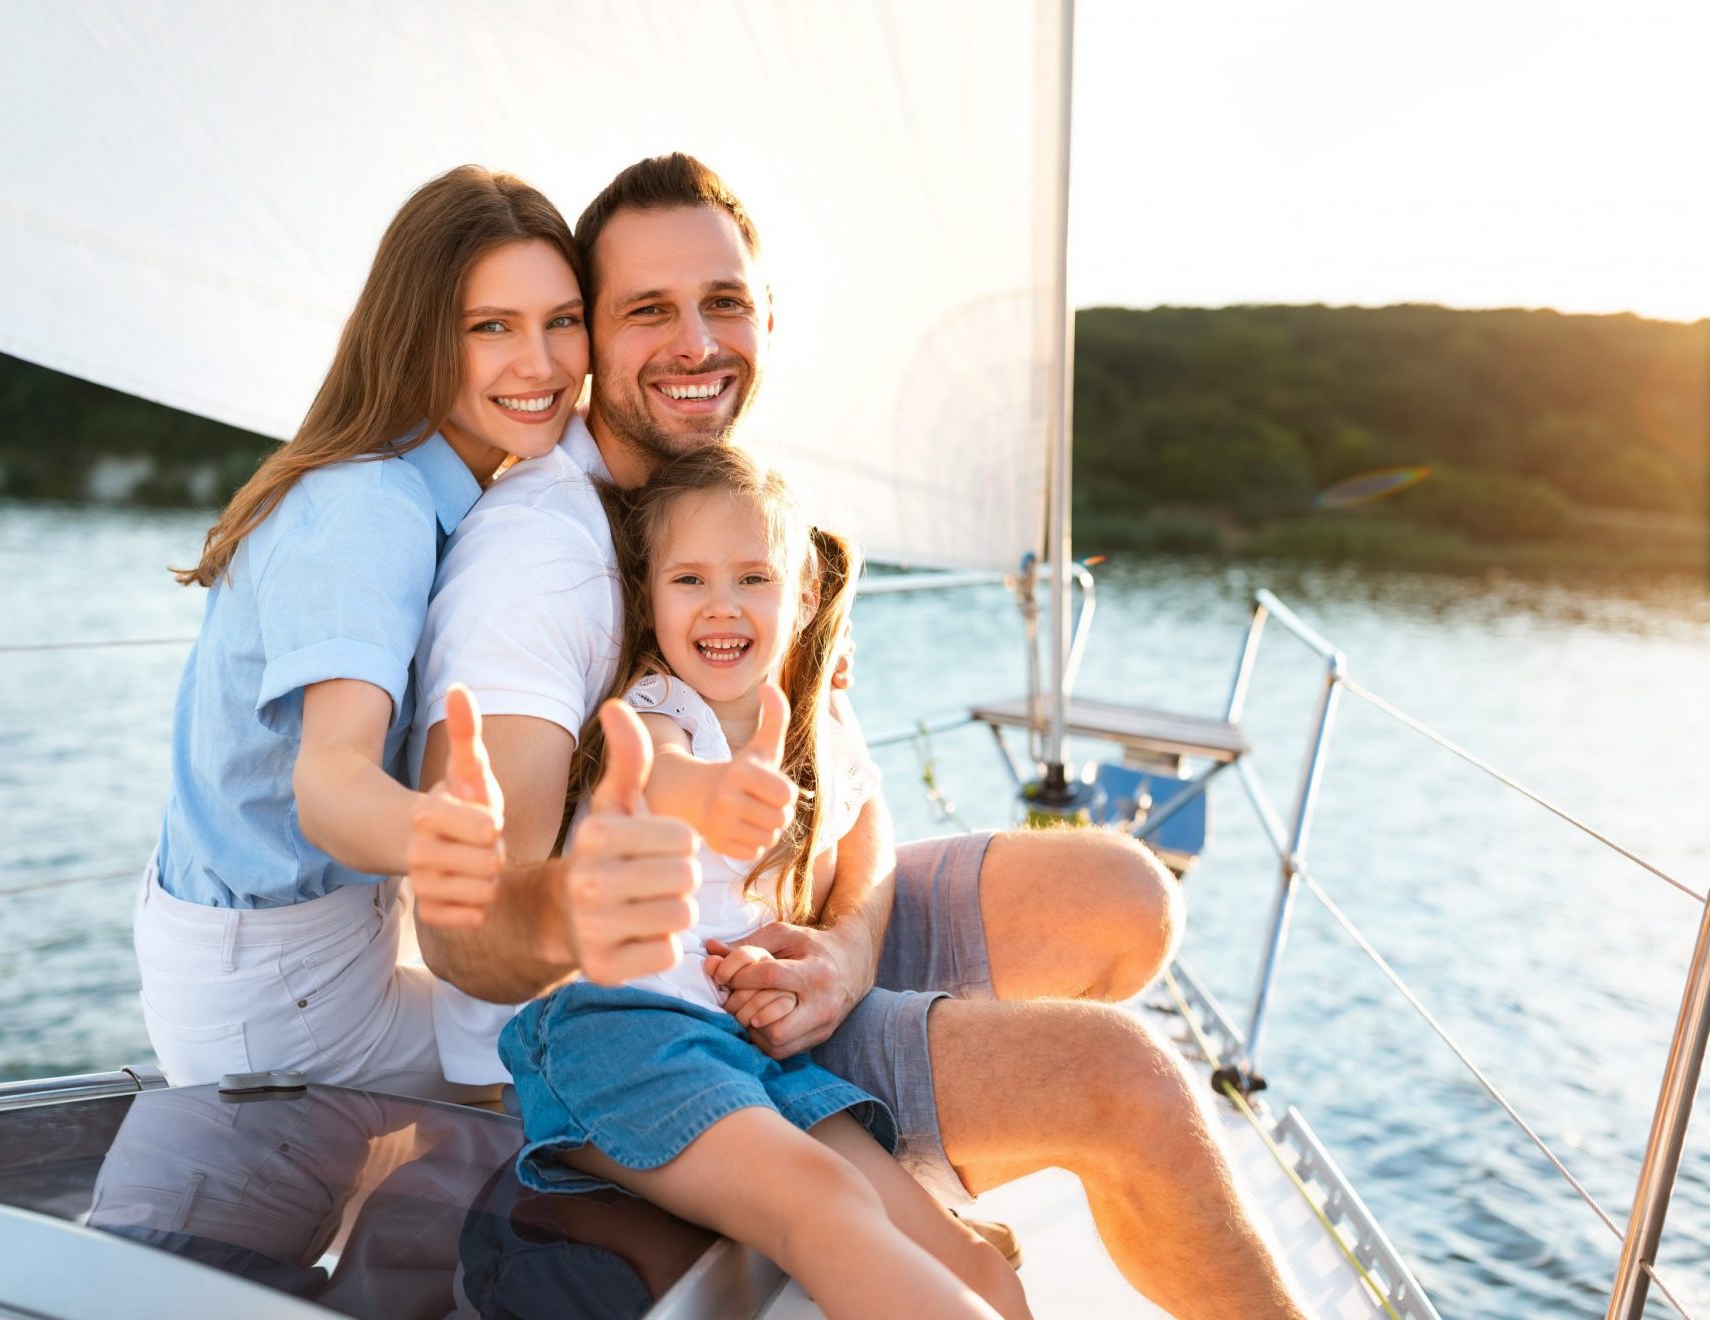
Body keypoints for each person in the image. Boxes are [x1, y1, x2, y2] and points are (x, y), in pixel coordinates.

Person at [412, 153, 1307, 1319]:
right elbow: (467, 924)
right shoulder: (546, 560)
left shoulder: (752, 525)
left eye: (723, 302)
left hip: (780, 942)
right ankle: (877, 1183)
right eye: (647, 310)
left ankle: (902, 1174)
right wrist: (618, 884)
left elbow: (854, 791)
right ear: (589, 340)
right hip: (651, 1019)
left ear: (769, 316)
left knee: (1127, 900)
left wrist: (845, 949)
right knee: (1126, 1081)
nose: (695, 341)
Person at [474, 446, 1026, 1318]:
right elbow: (658, 773)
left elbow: (847, 857)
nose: (721, 605)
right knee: (826, 1204)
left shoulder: (819, 739)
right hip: (619, 1035)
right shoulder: (661, 709)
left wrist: (803, 968)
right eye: (688, 580)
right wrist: (713, 795)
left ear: (804, 594)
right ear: (649, 603)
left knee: (977, 1266)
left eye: (753, 578)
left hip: (753, 1055)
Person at [131, 165, 586, 1100]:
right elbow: (329, 779)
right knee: (578, 1059)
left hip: (254, 949)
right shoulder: (371, 506)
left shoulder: (414, 480)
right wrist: (440, 831)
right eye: (489, 326)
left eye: (562, 321)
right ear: (419, 335)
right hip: (280, 988)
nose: (539, 365)